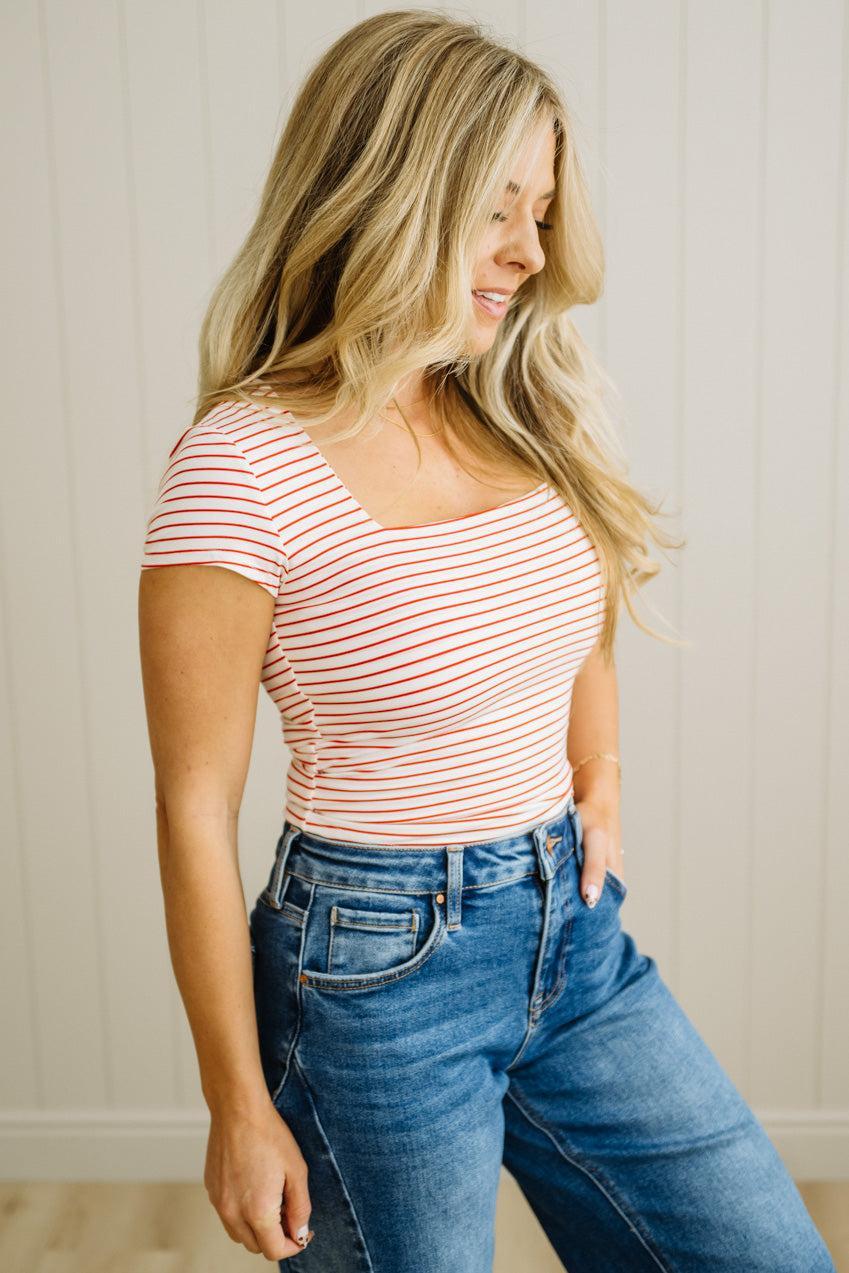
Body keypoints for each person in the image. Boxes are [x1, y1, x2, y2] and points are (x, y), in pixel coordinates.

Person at [137, 10, 836, 1271]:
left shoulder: (514, 404)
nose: (529, 252)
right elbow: (194, 804)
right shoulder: (240, 466)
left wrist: (600, 784)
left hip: (571, 934)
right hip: (373, 974)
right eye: (498, 207)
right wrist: (235, 1104)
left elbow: (579, 631)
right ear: (390, 190)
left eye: (543, 211)